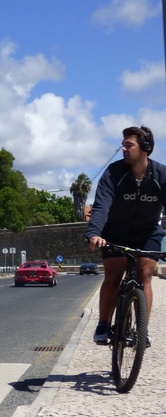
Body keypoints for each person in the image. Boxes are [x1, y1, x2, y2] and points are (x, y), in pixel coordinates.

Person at [85, 126, 166, 346]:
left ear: (145, 148)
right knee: (113, 276)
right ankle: (103, 324)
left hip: (147, 233)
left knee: (145, 276)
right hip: (115, 233)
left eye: (129, 145)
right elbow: (101, 205)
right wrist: (94, 233)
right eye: (123, 144)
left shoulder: (161, 175)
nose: (123, 148)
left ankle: (142, 330)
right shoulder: (114, 173)